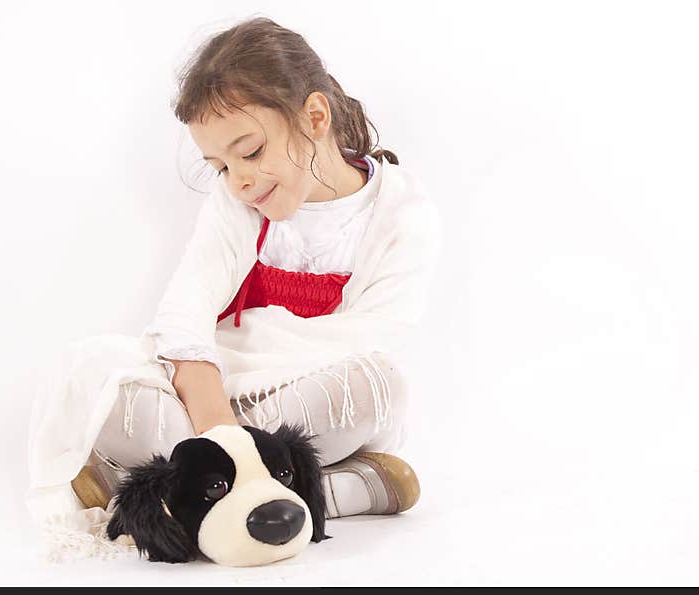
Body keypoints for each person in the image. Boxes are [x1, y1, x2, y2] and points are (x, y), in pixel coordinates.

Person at [26, 16, 441, 549]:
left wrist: (226, 431)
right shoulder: (238, 203)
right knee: (100, 375)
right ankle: (328, 491)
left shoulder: (402, 212)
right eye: (220, 167)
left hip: (304, 398)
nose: (239, 180)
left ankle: (178, 491)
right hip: (214, 399)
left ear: (314, 116)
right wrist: (221, 431)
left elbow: (369, 341)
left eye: (249, 152)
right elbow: (182, 319)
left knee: (379, 385)